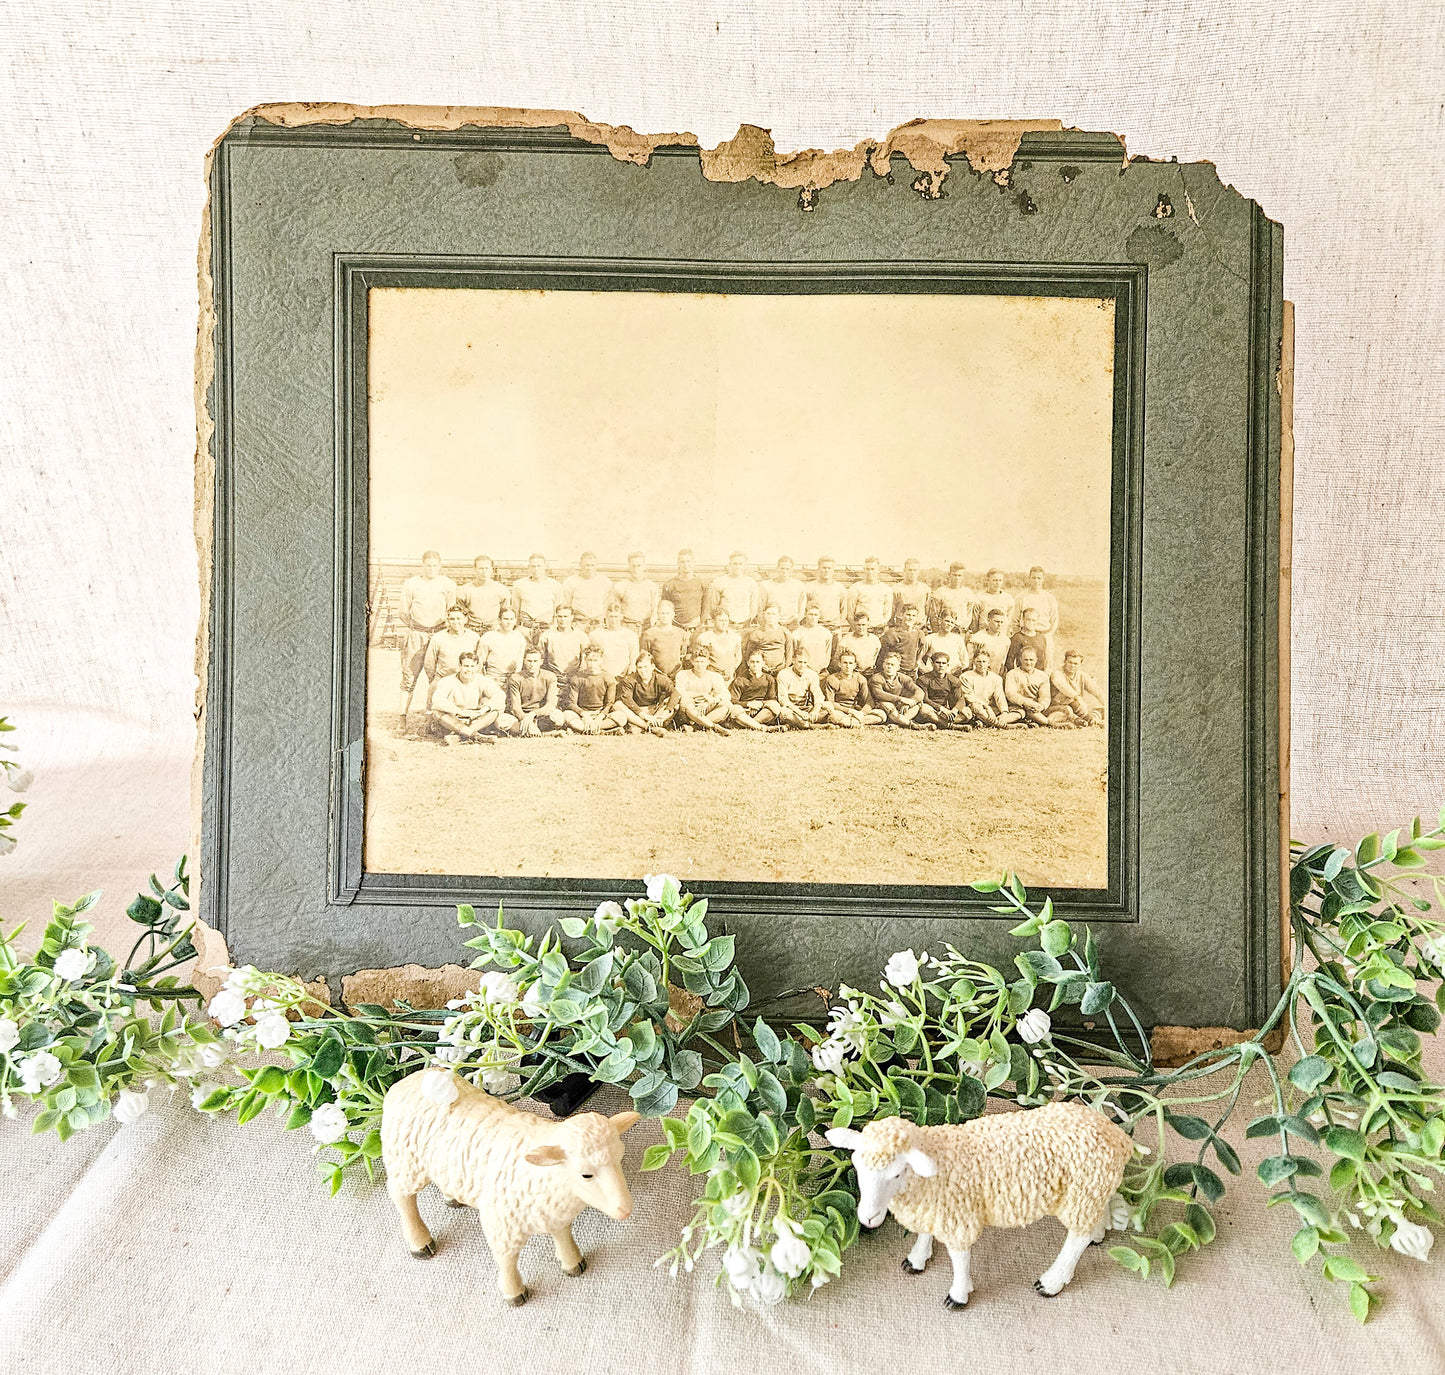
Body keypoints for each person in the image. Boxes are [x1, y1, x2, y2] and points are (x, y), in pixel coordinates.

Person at [398, 549, 457, 730]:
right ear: (422, 565)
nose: (431, 568)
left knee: (438, 677)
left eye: (434, 565)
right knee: (409, 677)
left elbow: (452, 610)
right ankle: (402, 716)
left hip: (439, 634)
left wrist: (437, 631)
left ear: (440, 566)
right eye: (428, 565)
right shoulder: (411, 584)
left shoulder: (448, 584)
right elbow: (403, 613)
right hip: (417, 634)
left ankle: (432, 717)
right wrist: (419, 628)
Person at [430, 652, 511, 743]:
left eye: (472, 666)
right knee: (437, 711)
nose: (469, 670)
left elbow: (499, 695)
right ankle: (475, 736)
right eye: (466, 666)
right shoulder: (447, 681)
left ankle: (460, 736)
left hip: (474, 717)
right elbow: (437, 700)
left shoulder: (482, 680)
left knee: (497, 709)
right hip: (454, 716)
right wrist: (459, 712)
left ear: (477, 667)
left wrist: (482, 710)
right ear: (459, 666)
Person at [422, 606, 481, 706]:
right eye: (452, 619)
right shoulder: (438, 637)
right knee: (435, 708)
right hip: (443, 678)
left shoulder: (474, 637)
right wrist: (435, 679)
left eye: (459, 618)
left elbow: (479, 661)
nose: (455, 622)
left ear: (465, 620)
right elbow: (429, 662)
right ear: (448, 620)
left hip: (466, 679)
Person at [561, 644, 623, 734]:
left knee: (621, 717)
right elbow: (571, 703)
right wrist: (584, 715)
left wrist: (600, 717)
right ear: (585, 660)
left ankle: (587, 729)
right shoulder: (577, 678)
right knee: (566, 715)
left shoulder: (608, 678)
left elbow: (610, 703)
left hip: (600, 714)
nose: (592, 664)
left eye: (595, 660)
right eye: (590, 660)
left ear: (601, 660)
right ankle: (602, 731)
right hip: (583, 714)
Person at [671, 648, 732, 734]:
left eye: (702, 662)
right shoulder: (683, 674)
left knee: (727, 705)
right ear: (692, 662)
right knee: (685, 701)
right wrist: (701, 694)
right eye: (697, 662)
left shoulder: (714, 676)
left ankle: (694, 727)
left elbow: (726, 694)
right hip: (690, 708)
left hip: (706, 707)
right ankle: (713, 726)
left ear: (708, 662)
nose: (700, 665)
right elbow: (679, 692)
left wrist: (710, 701)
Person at [614, 650, 675, 736]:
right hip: (637, 713)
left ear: (652, 666)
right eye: (640, 667)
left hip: (655, 711)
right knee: (618, 705)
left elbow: (675, 693)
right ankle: (649, 727)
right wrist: (644, 715)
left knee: (673, 703)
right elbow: (627, 699)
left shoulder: (661, 678)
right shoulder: (630, 680)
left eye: (646, 667)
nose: (643, 670)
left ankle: (654, 723)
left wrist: (663, 715)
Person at [506, 648, 565, 736]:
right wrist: (526, 720)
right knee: (502, 723)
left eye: (535, 661)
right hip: (521, 715)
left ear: (541, 662)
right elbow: (516, 707)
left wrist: (532, 715)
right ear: (524, 661)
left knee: (558, 718)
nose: (532, 664)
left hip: (540, 715)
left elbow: (551, 704)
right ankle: (547, 733)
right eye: (529, 661)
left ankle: (529, 730)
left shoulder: (550, 676)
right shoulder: (515, 678)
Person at [959, 646, 1023, 727]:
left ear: (988, 663)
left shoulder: (996, 678)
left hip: (993, 710)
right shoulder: (965, 676)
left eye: (984, 661)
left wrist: (1004, 712)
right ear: (974, 662)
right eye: (978, 661)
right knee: (976, 708)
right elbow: (969, 697)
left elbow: (999, 696)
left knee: (1019, 712)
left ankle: (987, 722)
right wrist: (986, 708)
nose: (981, 664)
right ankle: (1003, 725)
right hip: (975, 708)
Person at [1005, 646, 1068, 727]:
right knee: (1024, 712)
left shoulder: (1042, 675)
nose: (1028, 663)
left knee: (1066, 710)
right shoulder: (1012, 674)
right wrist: (1026, 703)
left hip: (1037, 708)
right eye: (1026, 660)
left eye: (1031, 660)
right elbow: (1011, 694)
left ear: (1036, 660)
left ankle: (1038, 721)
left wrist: (1041, 706)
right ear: (1020, 659)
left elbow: (1045, 696)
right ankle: (1049, 723)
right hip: (1020, 707)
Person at [511, 553, 567, 642]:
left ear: (545, 566)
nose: (536, 569)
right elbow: (515, 609)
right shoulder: (519, 584)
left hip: (547, 630)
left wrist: (556, 631)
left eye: (539, 566)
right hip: (525, 629)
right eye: (533, 566)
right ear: (528, 567)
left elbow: (559, 610)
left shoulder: (556, 585)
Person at [822, 649, 885, 727]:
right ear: (839, 664)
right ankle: (857, 723)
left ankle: (851, 722)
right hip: (839, 711)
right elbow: (830, 702)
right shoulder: (832, 679)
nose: (848, 666)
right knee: (833, 716)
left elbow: (869, 701)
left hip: (856, 711)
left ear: (854, 665)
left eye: (850, 663)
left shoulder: (860, 679)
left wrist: (861, 713)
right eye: (845, 663)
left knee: (881, 715)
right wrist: (849, 711)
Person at [1012, 565, 1060, 665]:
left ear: (1043, 579)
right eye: (1033, 578)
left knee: (1047, 664)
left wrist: (1047, 635)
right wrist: (1021, 636)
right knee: (1025, 664)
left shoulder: (1049, 598)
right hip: (1026, 636)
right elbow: (1014, 620)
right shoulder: (1021, 597)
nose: (1036, 581)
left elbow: (1054, 620)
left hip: (1044, 635)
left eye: (1039, 578)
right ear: (1029, 578)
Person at [869, 650, 930, 729]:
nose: (889, 667)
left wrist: (911, 701)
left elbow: (919, 692)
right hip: (881, 707)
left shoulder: (903, 678)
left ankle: (898, 724)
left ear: (898, 667)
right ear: (883, 665)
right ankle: (913, 725)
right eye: (887, 664)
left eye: (892, 665)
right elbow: (879, 694)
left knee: (918, 704)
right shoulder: (877, 678)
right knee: (887, 704)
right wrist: (901, 699)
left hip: (898, 709)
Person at [915, 649, 972, 729]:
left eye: (943, 663)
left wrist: (955, 710)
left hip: (947, 711)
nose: (941, 665)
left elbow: (960, 699)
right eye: (938, 662)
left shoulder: (953, 680)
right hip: (932, 709)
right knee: (924, 709)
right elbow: (925, 699)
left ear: (948, 665)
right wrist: (941, 709)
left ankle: (942, 722)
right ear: (932, 663)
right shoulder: (923, 679)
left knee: (967, 712)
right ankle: (952, 726)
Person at [774, 647, 829, 729]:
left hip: (806, 709)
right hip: (791, 709)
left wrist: (815, 710)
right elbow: (783, 700)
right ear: (793, 660)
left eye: (805, 662)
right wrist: (798, 712)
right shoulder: (784, 674)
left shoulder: (812, 674)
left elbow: (818, 694)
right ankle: (810, 726)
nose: (802, 665)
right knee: (784, 713)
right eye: (799, 662)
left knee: (828, 707)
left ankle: (799, 723)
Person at [455, 555, 510, 634]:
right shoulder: (464, 590)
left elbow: (505, 612)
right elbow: (460, 613)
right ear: (475, 569)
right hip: (471, 630)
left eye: (487, 568)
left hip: (493, 630)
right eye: (481, 568)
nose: (484, 572)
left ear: (492, 569)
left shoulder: (501, 590)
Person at [728, 649, 781, 731]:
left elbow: (772, 698)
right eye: (752, 662)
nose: (755, 665)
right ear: (748, 663)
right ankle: (762, 727)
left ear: (763, 663)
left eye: (758, 662)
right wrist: (748, 704)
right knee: (735, 709)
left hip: (762, 711)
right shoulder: (741, 679)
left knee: (775, 705)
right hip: (745, 712)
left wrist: (759, 704)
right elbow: (733, 700)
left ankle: (749, 724)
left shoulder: (769, 679)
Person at [706, 551, 761, 628]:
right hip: (725, 625)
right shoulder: (719, 581)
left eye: (740, 564)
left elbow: (754, 607)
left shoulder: (751, 583)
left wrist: (747, 622)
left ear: (745, 565)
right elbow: (713, 606)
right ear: (730, 565)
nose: (737, 567)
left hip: (745, 624)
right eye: (735, 564)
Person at [1050, 650, 1106, 726]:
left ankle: (1090, 719)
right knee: (1069, 709)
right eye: (1070, 662)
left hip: (1077, 707)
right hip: (1058, 706)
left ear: (1080, 664)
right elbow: (1064, 688)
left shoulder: (1081, 675)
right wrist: (1077, 698)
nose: (1072, 666)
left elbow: (1097, 691)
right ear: (1065, 661)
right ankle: (1090, 721)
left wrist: (1106, 702)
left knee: (1103, 710)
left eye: (1075, 664)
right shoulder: (1057, 673)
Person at [588, 603, 641, 678]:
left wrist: (629, 671)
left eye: (616, 616)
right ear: (606, 617)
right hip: (602, 676)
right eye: (611, 617)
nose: (613, 620)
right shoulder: (596, 635)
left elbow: (634, 658)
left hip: (623, 676)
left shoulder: (631, 635)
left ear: (621, 617)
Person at [662, 548, 709, 631]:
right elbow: (665, 607)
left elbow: (706, 608)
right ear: (678, 563)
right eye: (682, 562)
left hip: (696, 627)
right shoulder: (669, 584)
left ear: (694, 563)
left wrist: (699, 622)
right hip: (675, 627)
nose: (685, 564)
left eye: (688, 561)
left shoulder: (702, 583)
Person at [639, 599, 688, 678]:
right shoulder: (649, 634)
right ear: (658, 614)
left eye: (667, 613)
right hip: (657, 675)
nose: (665, 616)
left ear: (673, 614)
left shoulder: (681, 633)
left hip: (676, 674)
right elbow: (644, 656)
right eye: (662, 613)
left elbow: (684, 655)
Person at [563, 552, 613, 630]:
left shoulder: (605, 581)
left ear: (596, 566)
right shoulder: (570, 582)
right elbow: (566, 604)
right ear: (580, 565)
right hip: (578, 624)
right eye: (587, 565)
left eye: (592, 565)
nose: (589, 568)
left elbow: (607, 604)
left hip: (598, 624)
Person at [538, 604, 589, 678]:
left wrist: (578, 677)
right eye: (559, 616)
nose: (562, 619)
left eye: (565, 616)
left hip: (575, 677)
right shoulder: (547, 636)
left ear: (572, 617)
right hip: (553, 677)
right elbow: (541, 659)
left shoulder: (581, 636)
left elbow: (584, 660)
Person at [876, 603, 926, 678]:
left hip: (910, 671)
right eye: (908, 615)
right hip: (895, 671)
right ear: (902, 615)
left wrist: (916, 665)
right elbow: (883, 653)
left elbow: (919, 651)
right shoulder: (892, 633)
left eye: (913, 616)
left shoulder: (919, 634)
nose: (910, 618)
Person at [480, 605, 528, 683]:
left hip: (512, 679)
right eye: (506, 619)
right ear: (499, 620)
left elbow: (520, 663)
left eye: (511, 619)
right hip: (493, 679)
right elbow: (480, 662)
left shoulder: (519, 637)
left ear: (515, 620)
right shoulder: (489, 637)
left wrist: (515, 680)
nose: (509, 622)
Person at [845, 556, 893, 633]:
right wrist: (859, 630)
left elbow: (887, 613)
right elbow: (849, 614)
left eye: (873, 569)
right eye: (867, 569)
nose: (870, 572)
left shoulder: (886, 589)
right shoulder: (855, 588)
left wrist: (880, 625)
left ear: (878, 570)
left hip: (879, 629)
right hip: (862, 629)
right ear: (864, 570)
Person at [693, 607, 743, 681]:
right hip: (709, 675)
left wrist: (732, 669)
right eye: (720, 620)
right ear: (713, 621)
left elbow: (738, 657)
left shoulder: (735, 638)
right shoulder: (704, 638)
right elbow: (699, 658)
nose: (723, 623)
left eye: (726, 620)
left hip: (728, 675)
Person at [927, 563, 977, 637]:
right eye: (954, 575)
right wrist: (938, 634)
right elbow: (934, 615)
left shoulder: (968, 593)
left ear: (963, 576)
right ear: (949, 575)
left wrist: (964, 628)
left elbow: (969, 614)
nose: (957, 578)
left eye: (959, 575)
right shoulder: (940, 592)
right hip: (944, 632)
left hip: (961, 632)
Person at [613, 552, 660, 631]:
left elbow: (655, 610)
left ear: (644, 567)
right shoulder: (620, 586)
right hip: (626, 627)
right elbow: (616, 610)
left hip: (646, 627)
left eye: (639, 566)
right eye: (633, 566)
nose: (636, 569)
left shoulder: (652, 587)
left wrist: (651, 628)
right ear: (629, 567)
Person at [742, 603, 793, 673]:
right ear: (764, 615)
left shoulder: (785, 633)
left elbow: (789, 655)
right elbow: (749, 654)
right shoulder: (757, 633)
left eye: (773, 614)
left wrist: (785, 671)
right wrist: (759, 667)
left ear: (779, 616)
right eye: (768, 614)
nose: (771, 616)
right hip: (761, 671)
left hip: (781, 671)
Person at [761, 555, 808, 629]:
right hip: (773, 624)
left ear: (791, 570)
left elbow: (802, 608)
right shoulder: (766, 585)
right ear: (777, 568)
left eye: (787, 569)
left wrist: (797, 620)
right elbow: (761, 608)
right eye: (782, 568)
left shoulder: (799, 585)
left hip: (793, 624)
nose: (784, 571)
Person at [833, 609, 882, 677]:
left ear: (868, 624)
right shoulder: (846, 640)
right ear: (854, 624)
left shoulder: (874, 640)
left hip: (870, 674)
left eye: (863, 625)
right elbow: (836, 663)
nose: (861, 627)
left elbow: (876, 658)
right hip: (852, 676)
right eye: (858, 625)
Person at [921, 613, 970, 679]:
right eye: (947, 621)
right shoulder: (930, 639)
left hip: (953, 677)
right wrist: (927, 672)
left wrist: (956, 671)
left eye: (952, 622)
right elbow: (918, 659)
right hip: (934, 678)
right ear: (940, 620)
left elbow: (965, 662)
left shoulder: (958, 640)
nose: (949, 624)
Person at [807, 556, 849, 631]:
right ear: (818, 569)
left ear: (833, 570)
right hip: (815, 626)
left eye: (829, 568)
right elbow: (804, 608)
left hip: (834, 627)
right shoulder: (810, 587)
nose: (826, 570)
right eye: (824, 568)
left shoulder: (840, 588)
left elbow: (844, 610)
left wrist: (838, 624)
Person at [1005, 606, 1051, 673]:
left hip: (1038, 675)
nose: (1031, 622)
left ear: (1037, 621)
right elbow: (1010, 661)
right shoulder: (1017, 638)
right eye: (1028, 619)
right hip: (1022, 675)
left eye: (1033, 620)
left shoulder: (1041, 638)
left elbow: (1045, 660)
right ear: (1023, 620)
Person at [792, 602, 835, 674]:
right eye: (810, 614)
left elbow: (827, 655)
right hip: (803, 672)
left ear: (819, 615)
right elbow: (794, 655)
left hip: (821, 672)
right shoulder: (797, 634)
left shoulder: (826, 633)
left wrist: (820, 668)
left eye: (816, 615)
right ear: (805, 614)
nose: (813, 617)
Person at [967, 606, 1012, 675]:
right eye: (996, 621)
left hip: (996, 676)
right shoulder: (976, 638)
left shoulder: (1005, 640)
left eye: (1001, 622)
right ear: (988, 620)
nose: (999, 624)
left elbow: (1003, 662)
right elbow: (969, 662)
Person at [891, 558, 931, 627]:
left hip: (919, 627)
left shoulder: (925, 589)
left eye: (915, 570)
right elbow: (891, 611)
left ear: (918, 571)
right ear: (904, 571)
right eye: (910, 570)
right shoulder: (896, 588)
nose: (912, 573)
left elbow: (928, 611)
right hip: (900, 627)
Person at [975, 568, 1015, 635]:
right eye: (995, 580)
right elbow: (975, 621)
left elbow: (1008, 621)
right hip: (983, 635)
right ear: (988, 581)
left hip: (1001, 635)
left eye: (1000, 580)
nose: (997, 583)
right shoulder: (979, 598)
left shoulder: (1008, 599)